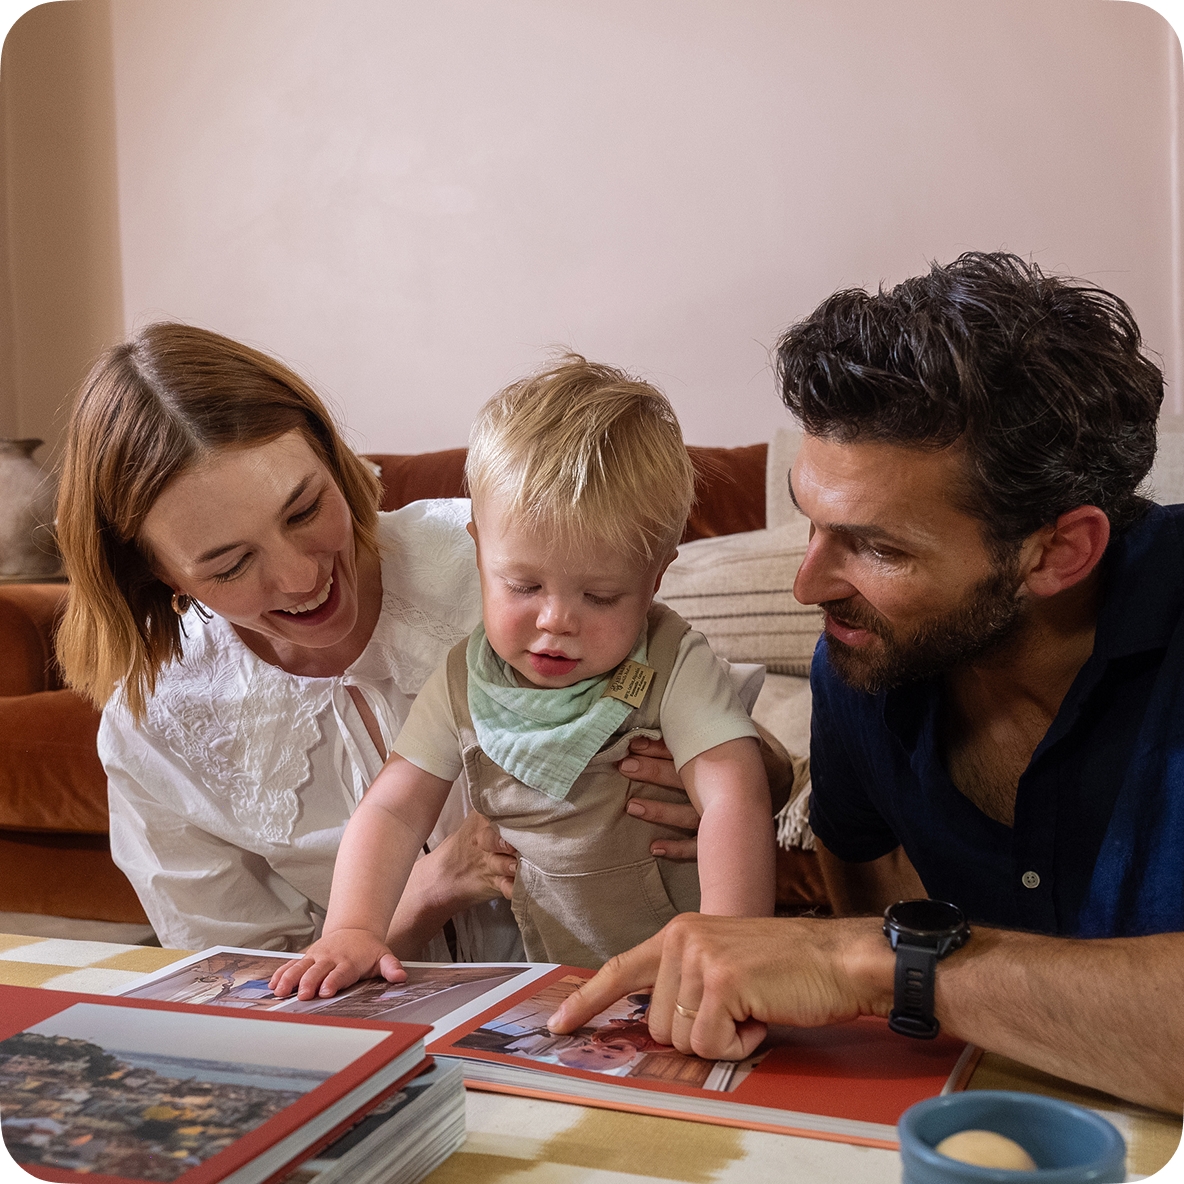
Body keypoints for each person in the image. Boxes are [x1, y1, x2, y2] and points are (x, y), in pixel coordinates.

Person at [549, 252, 1184, 1113]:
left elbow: (875, 956)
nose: (807, 585)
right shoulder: (864, 664)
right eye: (811, 522)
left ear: (1060, 551)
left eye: (879, 547)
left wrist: (873, 961)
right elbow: (865, 863)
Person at [53, 324, 696, 957]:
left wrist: (736, 780)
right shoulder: (156, 727)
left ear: (334, 458)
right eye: (229, 565)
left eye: (305, 510)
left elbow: (706, 705)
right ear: (153, 576)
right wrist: (421, 896)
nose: (303, 576)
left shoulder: (511, 573)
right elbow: (240, 988)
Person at [270, 357, 775, 999]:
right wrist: (352, 927)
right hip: (554, 974)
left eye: (601, 596)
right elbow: (394, 808)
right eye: (523, 585)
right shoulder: (463, 679)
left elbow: (735, 795)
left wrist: (732, 948)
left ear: (654, 579)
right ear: (478, 549)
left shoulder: (671, 660)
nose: (555, 621)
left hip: (682, 961)